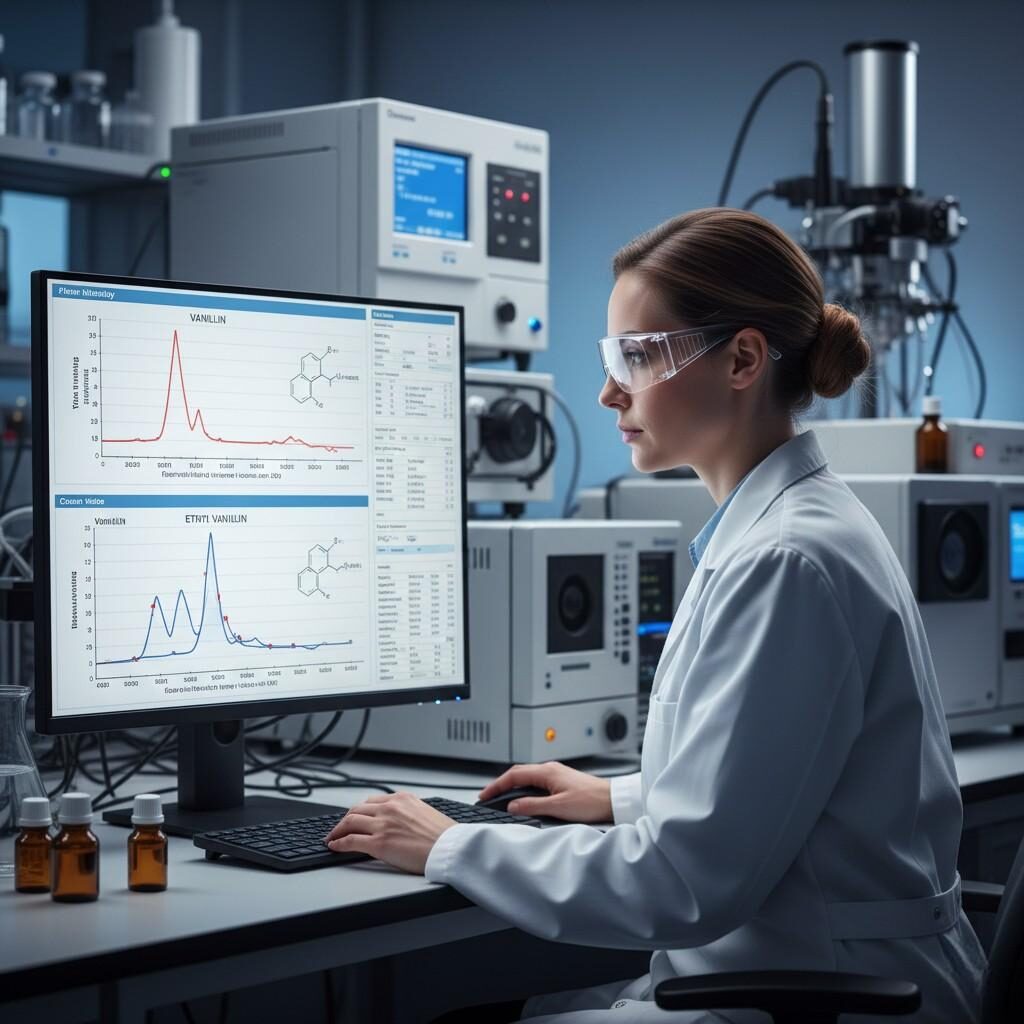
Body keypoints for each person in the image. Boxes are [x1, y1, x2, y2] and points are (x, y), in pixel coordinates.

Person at [326, 208, 986, 1022]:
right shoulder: (792, 526)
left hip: (821, 995)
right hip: (803, 973)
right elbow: (775, 783)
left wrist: (452, 844)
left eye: (636, 357)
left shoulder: (786, 559)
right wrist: (621, 800)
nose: (609, 392)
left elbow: (682, 883)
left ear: (743, 360)